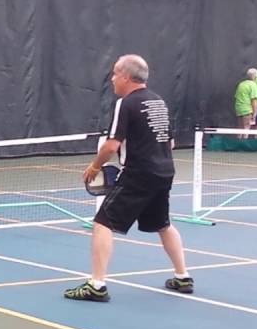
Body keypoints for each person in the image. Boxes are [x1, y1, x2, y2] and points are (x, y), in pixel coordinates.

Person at [65, 54, 192, 303]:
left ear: (125, 76)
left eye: (114, 74)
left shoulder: (126, 103)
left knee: (103, 222)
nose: (112, 79)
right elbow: (171, 142)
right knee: (163, 224)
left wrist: (94, 166)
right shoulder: (159, 102)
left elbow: (112, 145)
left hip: (139, 173)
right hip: (165, 171)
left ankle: (96, 285)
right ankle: (182, 276)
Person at [233, 68, 257, 132]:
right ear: (255, 76)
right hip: (247, 110)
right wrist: (255, 112)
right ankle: (244, 141)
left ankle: (239, 141)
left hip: (239, 109)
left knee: (240, 129)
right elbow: (254, 100)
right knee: (246, 129)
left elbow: (236, 97)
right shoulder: (253, 85)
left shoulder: (241, 84)